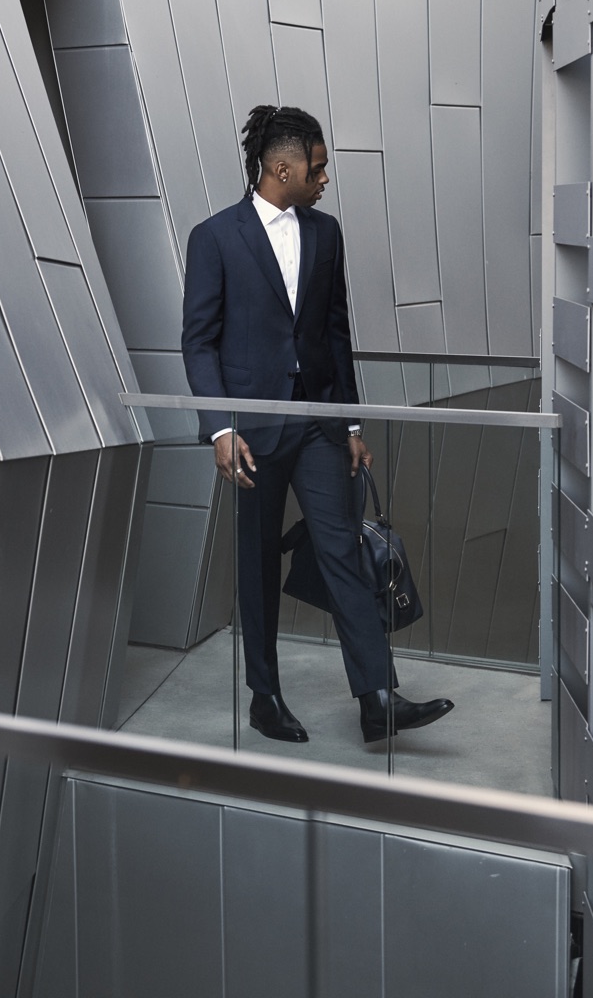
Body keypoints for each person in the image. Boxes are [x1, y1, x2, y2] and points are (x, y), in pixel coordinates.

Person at [181, 104, 453, 744]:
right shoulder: (215, 237)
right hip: (252, 432)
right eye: (318, 167)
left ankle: (377, 697)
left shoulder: (326, 234)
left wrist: (350, 423)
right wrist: (220, 429)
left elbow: (336, 335)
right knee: (256, 566)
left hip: (318, 427)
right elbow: (198, 342)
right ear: (282, 167)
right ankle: (264, 696)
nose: (325, 178)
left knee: (344, 550)